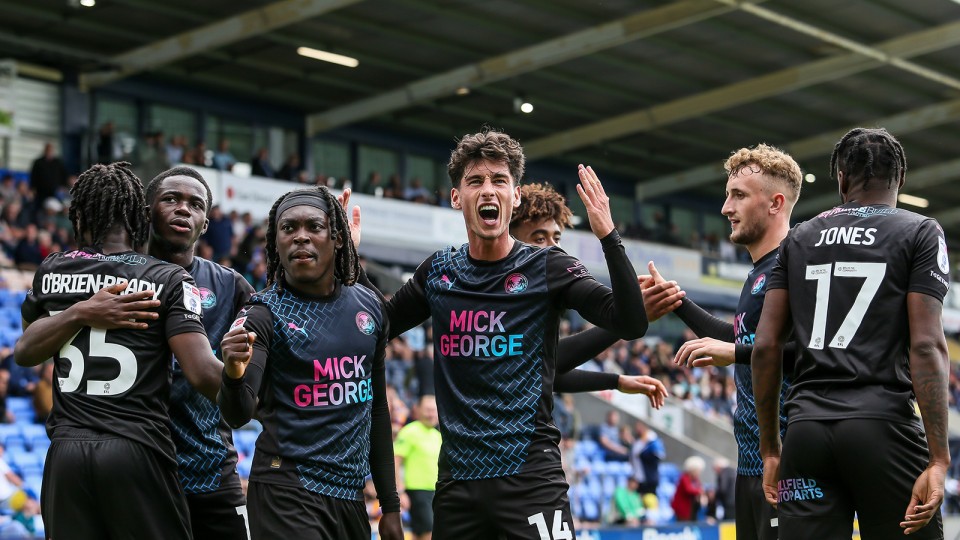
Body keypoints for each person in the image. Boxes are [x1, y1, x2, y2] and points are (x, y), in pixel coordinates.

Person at [359, 129, 649, 539]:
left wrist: (608, 236)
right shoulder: (438, 273)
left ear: (514, 196)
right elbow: (375, 328)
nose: (488, 190)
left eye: (499, 180)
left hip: (531, 479)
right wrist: (350, 268)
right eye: (475, 181)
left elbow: (630, 322)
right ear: (457, 197)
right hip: (457, 485)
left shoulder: (548, 266)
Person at [753, 127, 949, 538]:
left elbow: (767, 346)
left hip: (805, 434)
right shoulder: (918, 231)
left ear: (841, 177)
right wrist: (938, 460)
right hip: (882, 428)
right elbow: (927, 344)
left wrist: (771, 449)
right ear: (900, 180)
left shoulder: (799, 237)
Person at [14, 161, 223, 539]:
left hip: (65, 454)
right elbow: (204, 375)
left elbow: (26, 348)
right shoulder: (168, 277)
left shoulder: (52, 269)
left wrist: (77, 311)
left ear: (79, 215)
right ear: (139, 215)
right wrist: (249, 383)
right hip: (136, 449)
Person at [218, 186, 402, 540]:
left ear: (337, 238)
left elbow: (376, 408)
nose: (300, 236)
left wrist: (389, 505)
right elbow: (237, 413)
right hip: (285, 489)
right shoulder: (261, 313)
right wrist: (233, 372)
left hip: (349, 498)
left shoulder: (369, 307)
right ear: (275, 243)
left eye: (313, 226)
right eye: (288, 228)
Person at [643, 143, 803, 540]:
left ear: (775, 203)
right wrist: (676, 301)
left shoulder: (800, 265)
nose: (725, 208)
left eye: (739, 195)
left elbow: (811, 354)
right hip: (749, 463)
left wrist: (736, 353)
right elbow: (741, 337)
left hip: (789, 462)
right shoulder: (757, 274)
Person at [509, 181, 678, 402]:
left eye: (556, 238)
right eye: (540, 239)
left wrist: (615, 381)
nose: (554, 247)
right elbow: (541, 365)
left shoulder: (553, 280)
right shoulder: (475, 288)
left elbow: (543, 370)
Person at [394, 395, 442, 540]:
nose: (431, 414)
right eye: (427, 410)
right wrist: (400, 491)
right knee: (428, 533)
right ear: (417, 410)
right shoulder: (409, 431)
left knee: (420, 534)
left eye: (434, 410)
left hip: (436, 491)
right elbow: (395, 462)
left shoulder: (438, 435)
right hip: (417, 492)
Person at [630, 420, 665, 497]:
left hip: (650, 478)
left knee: (649, 500)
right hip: (639, 477)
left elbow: (658, 455)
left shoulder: (652, 441)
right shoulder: (638, 441)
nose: (638, 430)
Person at [671, 456, 705, 522]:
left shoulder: (695, 479)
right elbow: (688, 489)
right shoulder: (685, 477)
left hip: (692, 508)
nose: (698, 473)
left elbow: (700, 487)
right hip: (682, 508)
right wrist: (699, 491)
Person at [708, 457, 737, 522]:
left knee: (728, 521)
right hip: (736, 500)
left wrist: (715, 495)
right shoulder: (732, 471)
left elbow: (723, 488)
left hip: (728, 503)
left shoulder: (724, 473)